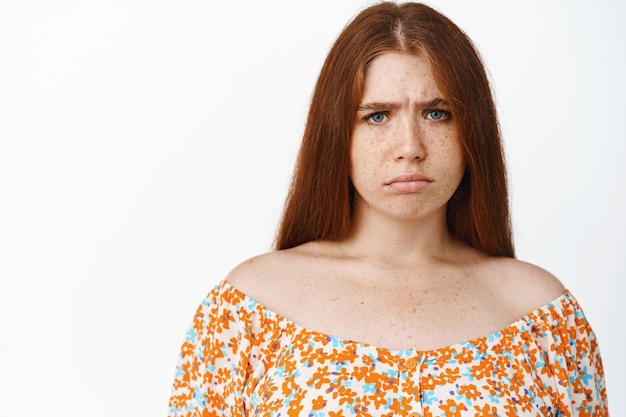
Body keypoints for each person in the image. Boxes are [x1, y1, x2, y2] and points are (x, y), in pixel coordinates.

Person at [168, 2, 608, 416]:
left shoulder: (542, 315)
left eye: (437, 114)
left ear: (473, 130)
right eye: (378, 115)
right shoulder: (250, 308)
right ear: (337, 133)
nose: (410, 148)